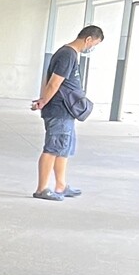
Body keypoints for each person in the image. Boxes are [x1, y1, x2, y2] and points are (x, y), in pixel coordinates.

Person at [30, 25, 104, 200]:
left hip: (66, 111)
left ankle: (61, 186)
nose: (92, 48)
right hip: (59, 110)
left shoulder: (69, 54)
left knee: (63, 149)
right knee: (53, 148)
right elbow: (54, 83)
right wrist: (42, 102)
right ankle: (41, 189)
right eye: (94, 44)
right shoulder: (67, 54)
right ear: (88, 39)